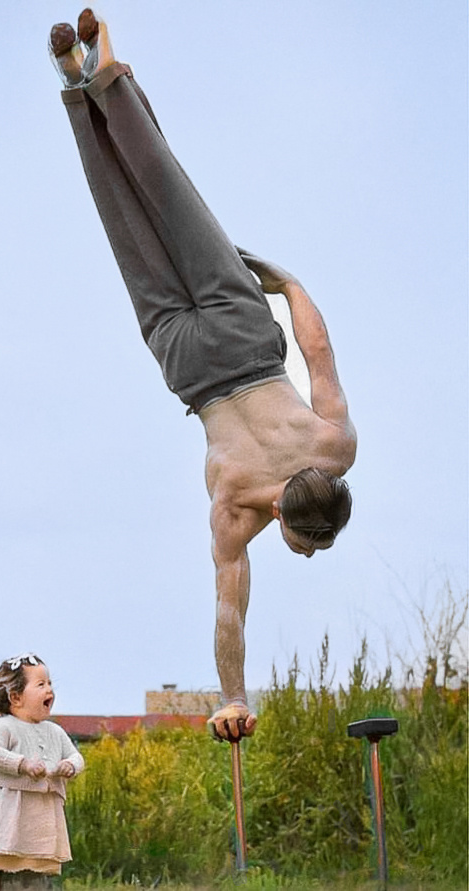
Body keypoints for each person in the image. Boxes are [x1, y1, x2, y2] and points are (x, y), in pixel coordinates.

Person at [48, 11, 357, 743]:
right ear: (283, 517)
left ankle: (99, 74)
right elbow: (229, 612)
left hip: (242, 335)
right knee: (124, 218)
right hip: (189, 362)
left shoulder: (336, 448)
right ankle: (77, 83)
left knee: (164, 190)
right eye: (309, 547)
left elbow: (317, 352)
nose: (303, 555)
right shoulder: (234, 516)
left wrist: (286, 281)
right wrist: (232, 696)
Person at [0, 653, 85, 890]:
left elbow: (76, 756)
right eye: (40, 684)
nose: (49, 690)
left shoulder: (54, 731)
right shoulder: (2, 726)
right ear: (15, 697)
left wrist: (71, 765)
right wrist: (23, 764)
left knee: (31, 873)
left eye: (50, 683)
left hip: (34, 820)